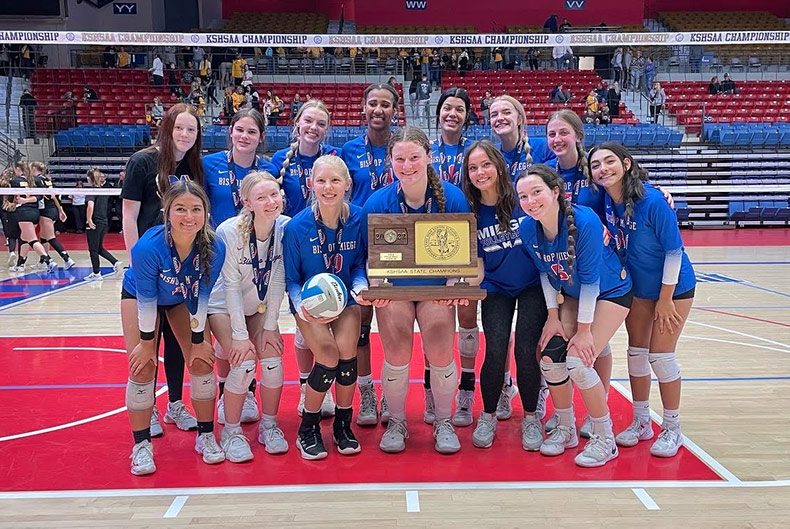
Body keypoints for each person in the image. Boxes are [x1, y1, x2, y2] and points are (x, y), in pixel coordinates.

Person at [361, 127, 473, 454]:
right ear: (390, 162)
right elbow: (367, 258)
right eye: (400, 158)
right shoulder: (377, 202)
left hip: (436, 287)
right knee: (396, 355)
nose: (407, 164)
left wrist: (453, 287)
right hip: (394, 289)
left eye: (414, 157)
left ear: (428, 157)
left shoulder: (452, 197)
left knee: (440, 353)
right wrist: (377, 285)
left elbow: (463, 253)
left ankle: (443, 421)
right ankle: (396, 421)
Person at [516, 164, 632, 467]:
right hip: (571, 295)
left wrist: (583, 331)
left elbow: (592, 279)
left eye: (537, 192)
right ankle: (566, 428)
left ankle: (604, 437)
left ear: (555, 192)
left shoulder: (584, 222)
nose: (530, 201)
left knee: (579, 362)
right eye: (523, 196)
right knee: (550, 361)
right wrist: (553, 317)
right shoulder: (528, 228)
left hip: (611, 292)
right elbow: (545, 274)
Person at [589, 142, 696, 458]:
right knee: (636, 354)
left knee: (661, 358)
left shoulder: (652, 200)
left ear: (626, 163)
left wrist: (665, 299)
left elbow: (674, 251)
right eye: (596, 165)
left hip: (673, 288)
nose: (603, 169)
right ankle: (641, 421)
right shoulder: (607, 201)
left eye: (609, 161)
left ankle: (672, 429)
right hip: (639, 288)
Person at [122, 180, 226, 476]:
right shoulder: (147, 247)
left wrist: (198, 339)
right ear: (167, 212)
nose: (188, 216)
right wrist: (145, 344)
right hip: (142, 298)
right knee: (141, 367)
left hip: (183, 298)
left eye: (196, 209)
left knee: (202, 361)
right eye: (180, 209)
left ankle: (206, 435)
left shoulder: (215, 247)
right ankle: (141, 446)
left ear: (206, 213)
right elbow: (146, 299)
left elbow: (202, 295)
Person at [121, 103, 205, 438]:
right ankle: (149, 409)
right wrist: (134, 261)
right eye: (179, 128)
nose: (185, 135)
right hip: (150, 267)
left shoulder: (194, 167)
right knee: (147, 342)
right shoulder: (143, 162)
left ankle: (173, 403)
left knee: (176, 342)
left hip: (182, 269)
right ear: (167, 128)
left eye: (192, 130)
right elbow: (129, 216)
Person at [461, 141, 548, 450]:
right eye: (473, 167)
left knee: (526, 349)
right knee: (496, 348)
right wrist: (461, 288)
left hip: (532, 286)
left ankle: (530, 417)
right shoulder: (470, 211)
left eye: (485, 164)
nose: (480, 172)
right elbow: (479, 267)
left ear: (498, 166)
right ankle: (487, 415)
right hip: (496, 287)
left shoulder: (520, 201)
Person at [284, 156, 370, 459]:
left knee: (348, 355)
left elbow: (360, 263)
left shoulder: (359, 218)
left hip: (345, 298)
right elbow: (292, 280)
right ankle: (307, 427)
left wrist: (359, 287)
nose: (328, 187)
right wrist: (301, 306)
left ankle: (343, 425)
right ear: (311, 184)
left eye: (335, 180)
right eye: (321, 181)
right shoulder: (296, 227)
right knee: (329, 355)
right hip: (310, 304)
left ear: (347, 184)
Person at [208, 171, 289, 461]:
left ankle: (269, 426)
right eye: (261, 197)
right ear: (247, 202)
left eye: (274, 194)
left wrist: (269, 328)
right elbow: (230, 286)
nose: (270, 202)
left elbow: (278, 279)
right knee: (243, 365)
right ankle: (231, 431)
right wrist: (241, 338)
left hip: (259, 306)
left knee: (272, 360)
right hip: (223, 308)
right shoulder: (229, 231)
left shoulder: (286, 228)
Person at [340, 83, 398, 425]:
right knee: (361, 322)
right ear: (363, 108)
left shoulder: (402, 148)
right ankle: (365, 392)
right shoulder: (348, 150)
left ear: (394, 110)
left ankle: (392, 393)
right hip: (358, 244)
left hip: (395, 243)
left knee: (393, 321)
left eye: (385, 104)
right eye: (373, 103)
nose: (378, 110)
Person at [489, 95, 554, 186]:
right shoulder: (490, 154)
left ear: (519, 119)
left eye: (507, 113)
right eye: (494, 115)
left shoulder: (543, 147)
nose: (499, 118)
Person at [9, 162, 57, 273]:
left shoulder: (15, 181)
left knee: (32, 240)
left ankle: (49, 261)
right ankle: (20, 265)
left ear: (17, 169)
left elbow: (11, 196)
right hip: (35, 212)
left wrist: (20, 201)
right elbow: (40, 196)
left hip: (23, 212)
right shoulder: (33, 181)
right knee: (24, 238)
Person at [30, 162, 74, 270]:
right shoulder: (47, 180)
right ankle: (43, 261)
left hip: (46, 211)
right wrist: (60, 210)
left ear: (35, 168)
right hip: (52, 209)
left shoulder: (36, 180)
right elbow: (54, 197)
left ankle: (67, 259)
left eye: (30, 168)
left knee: (50, 237)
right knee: (43, 238)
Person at [85, 167, 121, 281]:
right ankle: (116, 262)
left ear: (89, 178)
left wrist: (89, 219)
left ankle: (96, 273)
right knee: (99, 248)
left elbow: (90, 205)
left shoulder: (92, 190)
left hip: (95, 221)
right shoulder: (103, 190)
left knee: (93, 249)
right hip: (104, 221)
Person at [1, 168, 21, 268]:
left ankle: (12, 251)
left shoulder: (5, 184)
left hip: (8, 209)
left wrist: (4, 176)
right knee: (23, 236)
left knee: (11, 235)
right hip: (20, 210)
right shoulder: (20, 182)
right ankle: (21, 260)